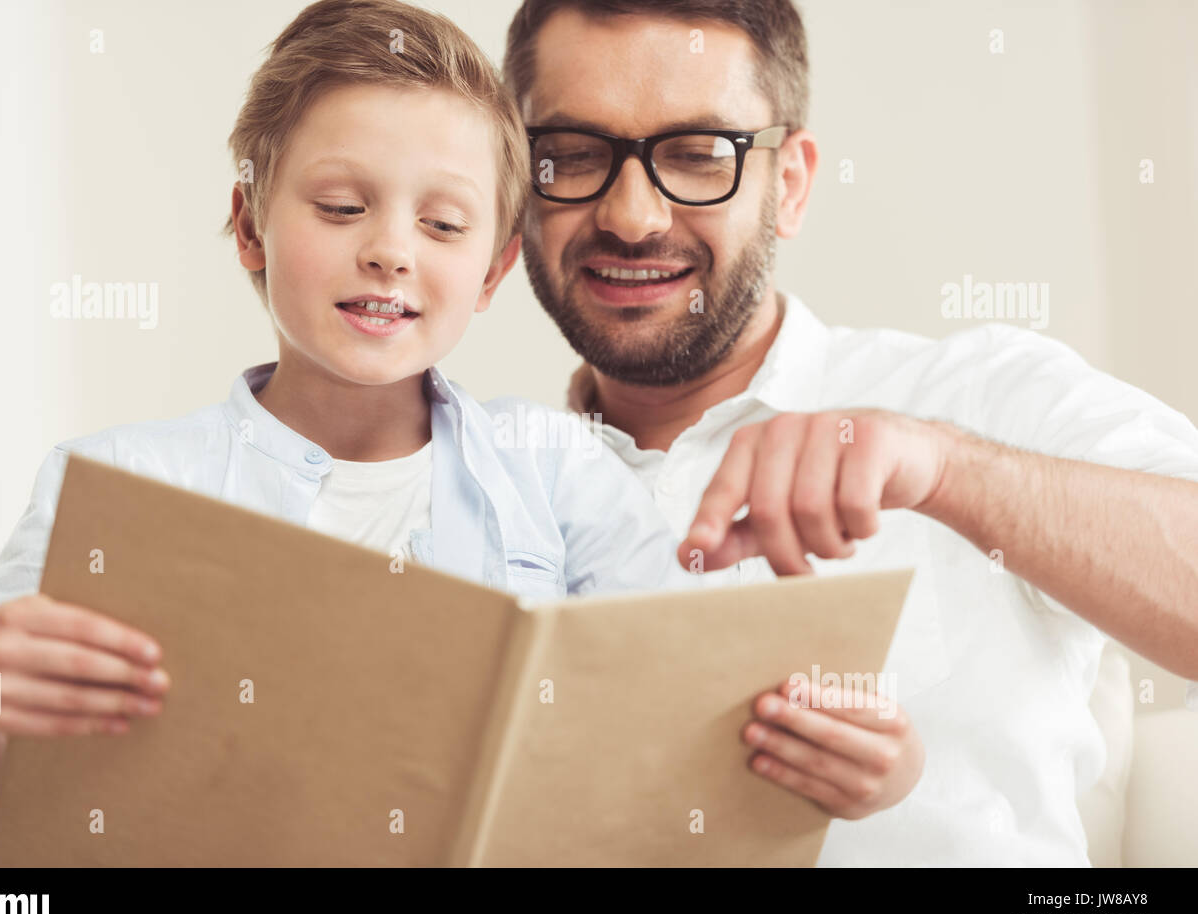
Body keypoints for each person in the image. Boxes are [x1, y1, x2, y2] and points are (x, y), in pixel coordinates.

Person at [0, 0, 702, 827]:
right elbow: (8, 775)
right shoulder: (119, 484)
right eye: (339, 207)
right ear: (252, 223)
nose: (392, 250)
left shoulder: (556, 469)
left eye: (443, 223)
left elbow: (676, 707)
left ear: (494, 270)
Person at [504, 0, 1198, 864]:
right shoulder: (476, 482)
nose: (633, 217)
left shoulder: (980, 395)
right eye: (571, 155)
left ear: (789, 183)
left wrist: (947, 470)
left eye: (697, 155)